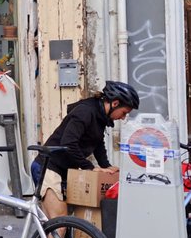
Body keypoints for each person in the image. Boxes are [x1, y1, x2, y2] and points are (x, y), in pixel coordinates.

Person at [32, 80, 140, 222]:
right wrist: (89, 167)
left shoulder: (100, 116)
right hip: (48, 167)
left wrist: (106, 166)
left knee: (62, 223)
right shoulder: (85, 111)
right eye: (124, 112)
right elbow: (69, 143)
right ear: (115, 103)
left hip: (65, 170)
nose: (123, 117)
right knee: (60, 220)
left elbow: (97, 143)